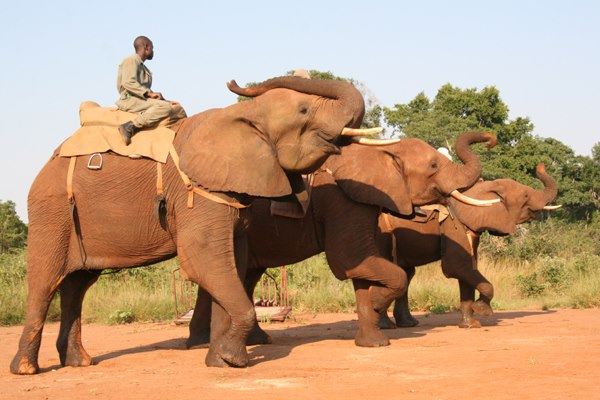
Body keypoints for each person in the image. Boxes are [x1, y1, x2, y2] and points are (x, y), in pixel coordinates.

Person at [116, 36, 181, 145]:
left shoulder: (143, 68)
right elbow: (128, 82)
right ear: (146, 47)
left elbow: (143, 89)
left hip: (140, 99)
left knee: (177, 108)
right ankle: (129, 127)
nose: (153, 51)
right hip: (130, 100)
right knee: (164, 107)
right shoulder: (131, 60)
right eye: (152, 48)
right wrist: (149, 93)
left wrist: (161, 98)